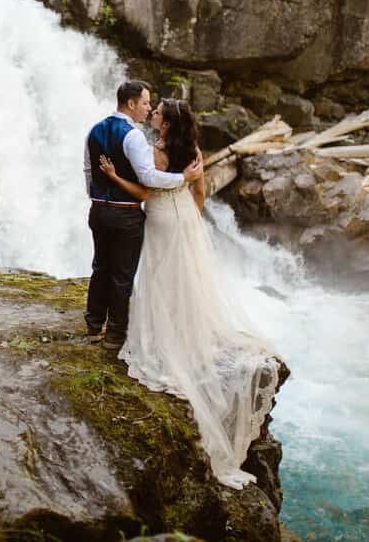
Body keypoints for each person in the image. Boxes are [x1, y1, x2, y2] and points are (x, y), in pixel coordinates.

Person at [98, 97, 281, 490]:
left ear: (165, 126)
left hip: (162, 217)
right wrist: (191, 214)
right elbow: (199, 193)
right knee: (187, 278)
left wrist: (113, 178)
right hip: (186, 217)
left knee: (162, 279)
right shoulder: (194, 151)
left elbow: (146, 192)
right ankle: (186, 331)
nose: (154, 114)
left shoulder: (156, 153)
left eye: (158, 113)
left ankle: (166, 339)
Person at [83, 81, 203, 352]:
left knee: (100, 267)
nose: (148, 110)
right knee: (122, 275)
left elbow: (88, 171)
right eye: (146, 103)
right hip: (126, 214)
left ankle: (93, 326)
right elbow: (148, 177)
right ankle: (115, 335)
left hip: (98, 210)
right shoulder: (133, 136)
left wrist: (98, 197)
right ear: (131, 104)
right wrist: (183, 177)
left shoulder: (93, 130)